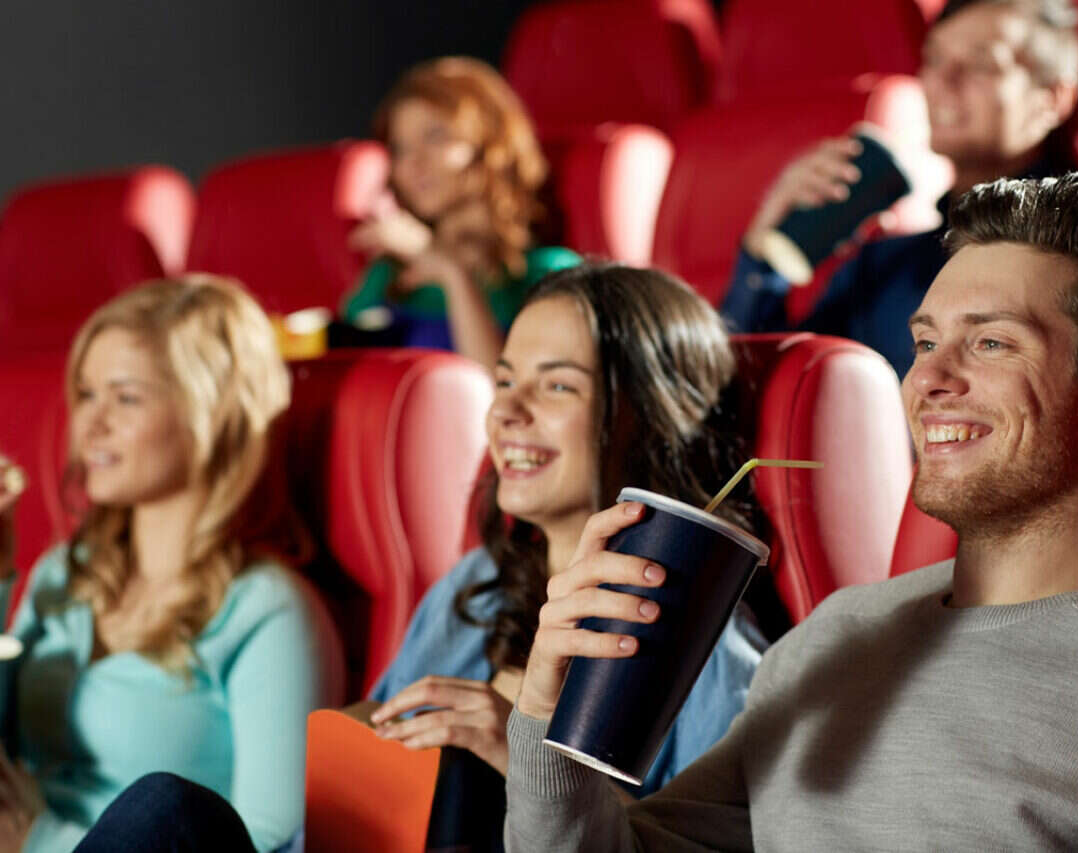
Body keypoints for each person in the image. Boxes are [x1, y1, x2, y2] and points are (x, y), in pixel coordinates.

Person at [504, 173, 1078, 850]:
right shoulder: (832, 637)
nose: (928, 380)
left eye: (992, 344)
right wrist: (546, 718)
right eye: (925, 342)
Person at [73, 263, 769, 851]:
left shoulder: (708, 650)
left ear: (650, 414)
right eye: (504, 381)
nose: (508, 412)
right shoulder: (477, 587)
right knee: (163, 811)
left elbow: (690, 841)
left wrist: (516, 750)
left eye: (557, 385)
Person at [0, 276, 341, 852]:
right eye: (86, 394)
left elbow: (272, 842)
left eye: (126, 398)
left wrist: (42, 840)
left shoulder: (267, 609)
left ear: (211, 414)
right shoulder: (63, 572)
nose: (90, 424)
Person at [722, 0, 1078, 380]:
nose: (943, 81)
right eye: (934, 59)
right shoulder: (880, 268)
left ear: (1053, 98)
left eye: (982, 64)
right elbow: (752, 389)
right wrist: (763, 256)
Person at [340, 56, 580, 366]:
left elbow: (500, 390)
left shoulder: (548, 275)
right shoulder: (390, 274)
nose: (413, 162)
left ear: (491, 143)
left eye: (435, 136)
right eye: (400, 149)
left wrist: (453, 275)